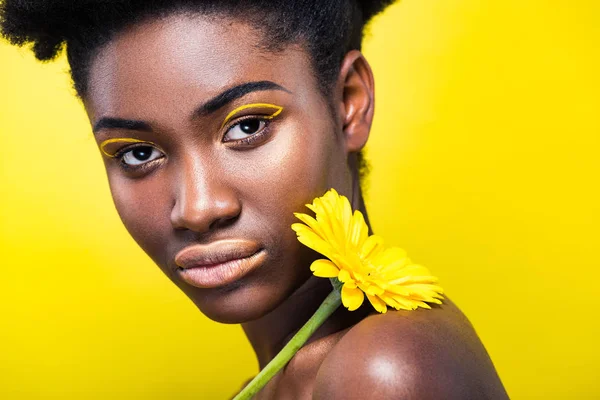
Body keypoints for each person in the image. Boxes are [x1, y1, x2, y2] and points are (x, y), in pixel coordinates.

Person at [0, 1, 509, 398]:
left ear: (349, 102)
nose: (197, 208)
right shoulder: (286, 382)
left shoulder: (386, 369)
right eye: (137, 153)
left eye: (247, 126)